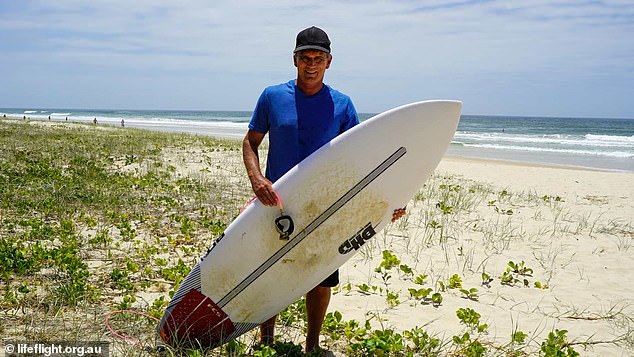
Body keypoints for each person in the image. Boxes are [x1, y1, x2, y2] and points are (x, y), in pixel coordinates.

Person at [242, 26, 405, 354]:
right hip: (278, 204)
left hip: (326, 207)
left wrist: (389, 201)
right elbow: (251, 141)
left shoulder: (342, 105)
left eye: (318, 58)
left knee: (319, 276)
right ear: (295, 60)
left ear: (329, 62)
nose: (311, 64)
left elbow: (362, 160)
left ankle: (312, 345)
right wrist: (258, 179)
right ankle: (266, 340)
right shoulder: (272, 96)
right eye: (305, 58)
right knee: (270, 273)